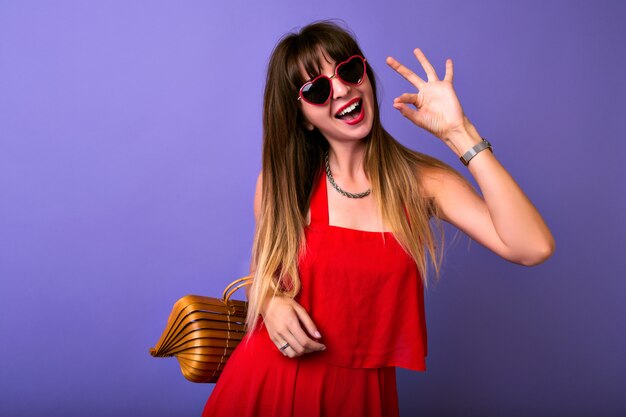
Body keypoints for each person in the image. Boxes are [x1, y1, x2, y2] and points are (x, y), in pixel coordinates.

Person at [202, 20, 555, 417]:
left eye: (348, 70)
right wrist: (270, 304)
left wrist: (460, 132)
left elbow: (532, 247)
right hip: (267, 385)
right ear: (302, 117)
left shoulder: (423, 183)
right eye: (317, 89)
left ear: (365, 74)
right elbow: (264, 265)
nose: (341, 89)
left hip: (363, 399)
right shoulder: (282, 183)